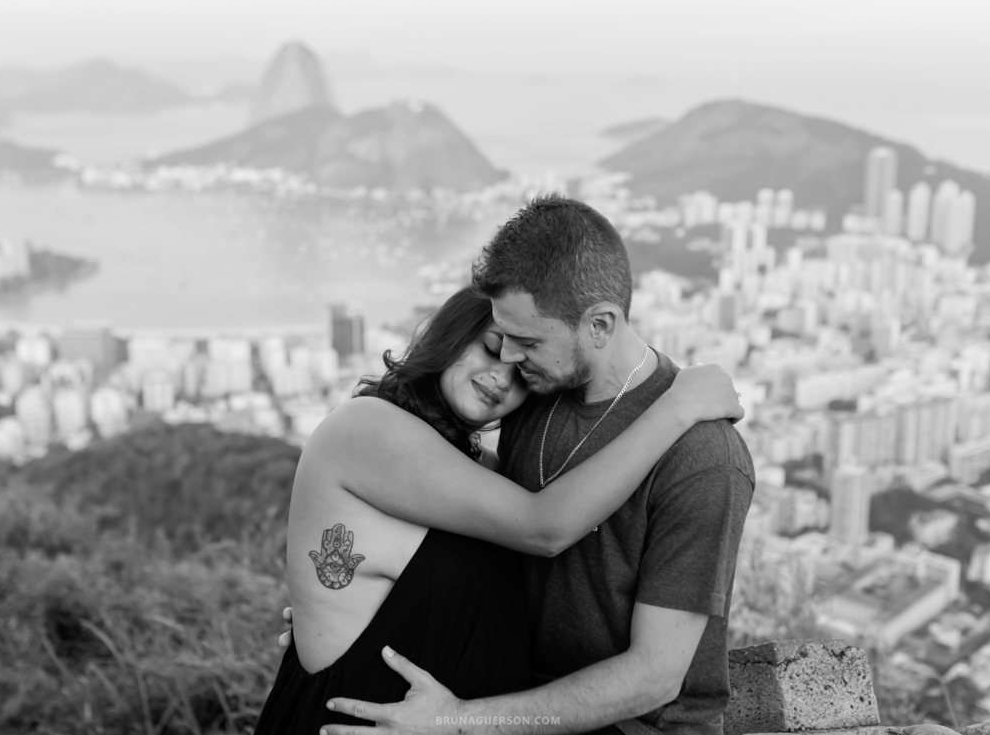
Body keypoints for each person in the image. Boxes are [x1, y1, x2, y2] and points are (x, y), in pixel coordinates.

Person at [314, 195, 756, 735]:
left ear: (600, 325)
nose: (508, 359)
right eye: (502, 338)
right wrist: (340, 610)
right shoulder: (535, 395)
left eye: (526, 341)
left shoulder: (703, 455)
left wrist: (461, 721)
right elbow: (465, 516)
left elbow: (654, 678)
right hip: (510, 703)